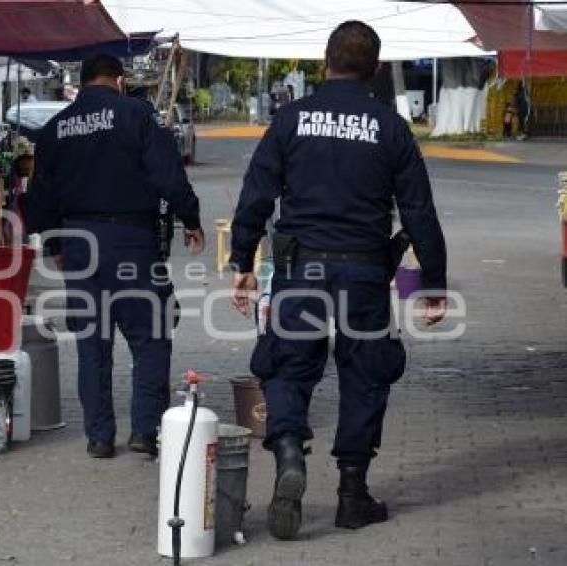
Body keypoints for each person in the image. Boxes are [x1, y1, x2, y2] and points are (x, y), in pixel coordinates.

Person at [229, 21, 447, 540]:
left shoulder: (291, 119)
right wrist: (433, 284)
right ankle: (352, 494)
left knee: (287, 363)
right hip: (365, 271)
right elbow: (419, 210)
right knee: (365, 372)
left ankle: (287, 453)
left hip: (299, 267)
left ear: (324, 61)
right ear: (374, 68)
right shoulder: (389, 126)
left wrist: (242, 261)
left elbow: (257, 192)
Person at [25, 54, 205, 459]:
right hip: (131, 240)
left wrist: (54, 245)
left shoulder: (55, 130)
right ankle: (145, 430)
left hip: (79, 243)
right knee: (150, 337)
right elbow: (167, 173)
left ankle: (99, 436)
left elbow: (40, 197)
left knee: (92, 343)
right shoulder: (136, 115)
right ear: (120, 82)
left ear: (82, 83)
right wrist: (190, 217)